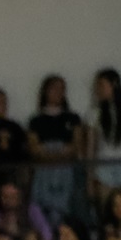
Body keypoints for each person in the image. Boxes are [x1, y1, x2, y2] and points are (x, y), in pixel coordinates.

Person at [28, 75, 84, 227]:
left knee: (65, 209)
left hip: (66, 172)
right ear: (45, 91)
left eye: (62, 89)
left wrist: (53, 153)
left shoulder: (73, 118)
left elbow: (76, 145)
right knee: (43, 209)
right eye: (54, 88)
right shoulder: (36, 120)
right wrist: (57, 153)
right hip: (44, 172)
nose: (58, 92)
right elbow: (34, 148)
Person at [91, 69, 121, 200]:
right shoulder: (95, 112)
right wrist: (90, 177)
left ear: (114, 84)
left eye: (101, 85)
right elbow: (91, 146)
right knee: (107, 205)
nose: (98, 90)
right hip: (103, 166)